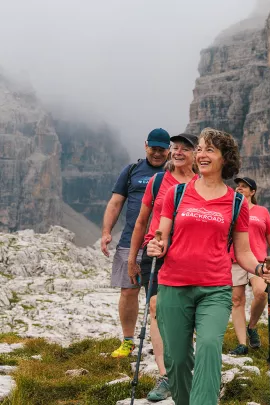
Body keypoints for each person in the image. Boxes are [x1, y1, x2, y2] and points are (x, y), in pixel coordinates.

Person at [147, 127, 270, 405]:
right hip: (173, 285)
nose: (202, 155)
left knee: (208, 347)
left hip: (215, 289)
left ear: (224, 158)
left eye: (210, 150)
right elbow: (161, 235)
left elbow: (243, 252)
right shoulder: (177, 194)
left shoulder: (237, 202)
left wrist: (259, 270)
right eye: (201, 149)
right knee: (177, 359)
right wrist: (155, 246)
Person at [127, 133, 198, 401]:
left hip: (189, 255)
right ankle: (167, 375)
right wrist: (132, 259)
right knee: (156, 307)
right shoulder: (158, 181)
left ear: (196, 154)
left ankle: (184, 367)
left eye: (185, 148)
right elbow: (141, 220)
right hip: (155, 253)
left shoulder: (203, 184)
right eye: (175, 148)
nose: (178, 152)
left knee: (185, 312)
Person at [100, 128, 170, 358]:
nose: (157, 153)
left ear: (169, 150)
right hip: (130, 242)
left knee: (163, 297)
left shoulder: (175, 173)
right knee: (128, 292)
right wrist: (106, 232)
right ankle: (128, 341)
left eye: (162, 149)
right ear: (145, 146)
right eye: (154, 148)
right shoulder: (131, 171)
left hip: (164, 245)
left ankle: (166, 341)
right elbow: (115, 202)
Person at [228, 177, 270, 355]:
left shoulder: (262, 211)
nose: (239, 189)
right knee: (237, 301)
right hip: (234, 260)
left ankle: (251, 326)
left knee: (261, 293)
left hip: (257, 261)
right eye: (238, 186)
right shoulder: (231, 210)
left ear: (253, 192)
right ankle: (242, 344)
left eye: (244, 187)